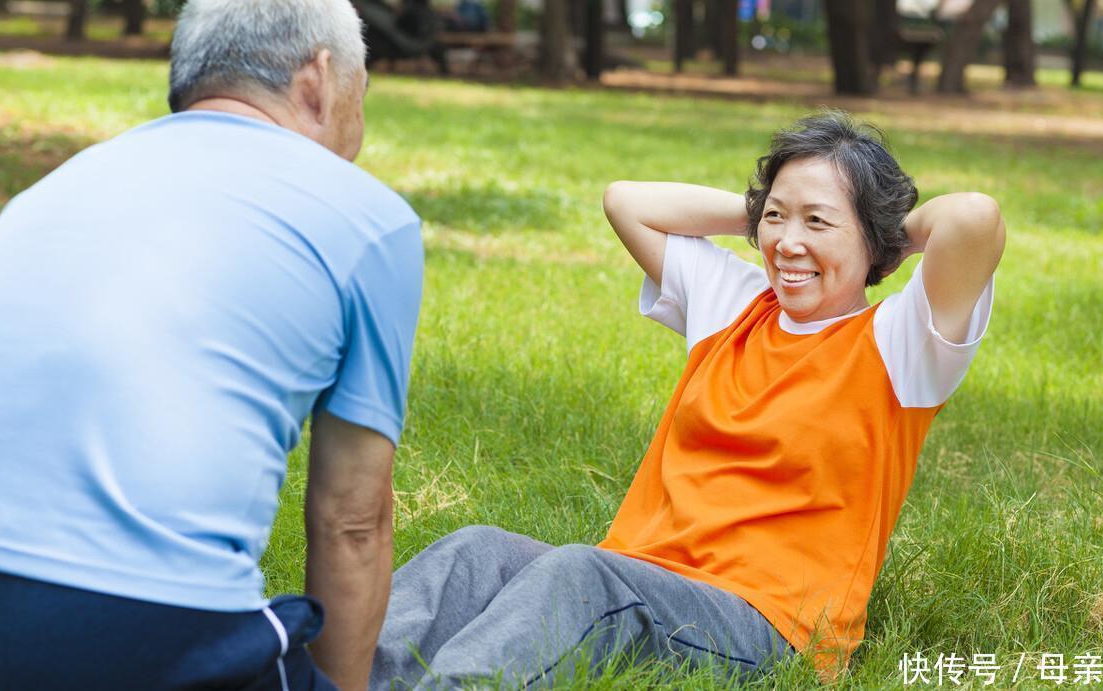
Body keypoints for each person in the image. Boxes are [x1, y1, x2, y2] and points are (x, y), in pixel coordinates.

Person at [368, 111, 1004, 688]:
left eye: (818, 221)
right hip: (637, 575)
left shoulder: (900, 346)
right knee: (474, 553)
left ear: (873, 240)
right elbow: (627, 202)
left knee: (581, 576)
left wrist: (884, 234)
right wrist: (764, 211)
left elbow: (974, 217)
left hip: (763, 620)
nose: (787, 243)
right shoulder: (734, 305)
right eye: (776, 217)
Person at [0, 1, 422, 690]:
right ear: (320, 79)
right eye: (360, 100)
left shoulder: (49, 191)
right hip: (142, 632)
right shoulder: (369, 219)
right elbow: (352, 520)